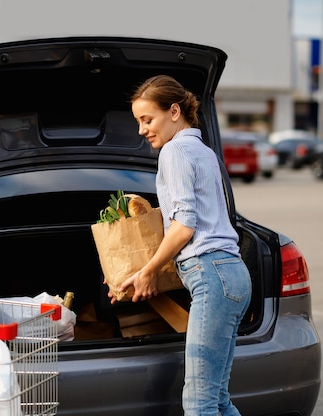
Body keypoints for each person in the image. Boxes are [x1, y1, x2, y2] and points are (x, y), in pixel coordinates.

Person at [109, 75, 252, 416]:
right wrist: (140, 273)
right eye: (138, 122)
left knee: (200, 403)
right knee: (216, 399)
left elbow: (184, 227)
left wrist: (148, 271)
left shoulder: (174, 151)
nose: (142, 129)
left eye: (147, 119)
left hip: (212, 276)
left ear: (174, 111)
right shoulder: (202, 151)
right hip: (231, 275)